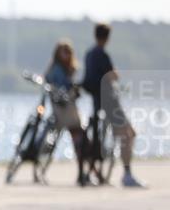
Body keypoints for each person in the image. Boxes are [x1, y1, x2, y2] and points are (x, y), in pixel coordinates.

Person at [82, 23, 144, 188]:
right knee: (129, 134)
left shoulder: (89, 54)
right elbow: (112, 76)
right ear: (107, 37)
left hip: (96, 102)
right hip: (110, 101)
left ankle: (92, 170)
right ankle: (127, 173)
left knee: (100, 135)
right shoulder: (102, 55)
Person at [43, 39, 87, 185]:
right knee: (79, 138)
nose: (67, 55)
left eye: (69, 52)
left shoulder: (63, 69)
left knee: (77, 139)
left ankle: (84, 172)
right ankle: (83, 173)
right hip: (64, 111)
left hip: (64, 110)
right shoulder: (57, 70)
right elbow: (64, 89)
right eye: (64, 52)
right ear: (58, 54)